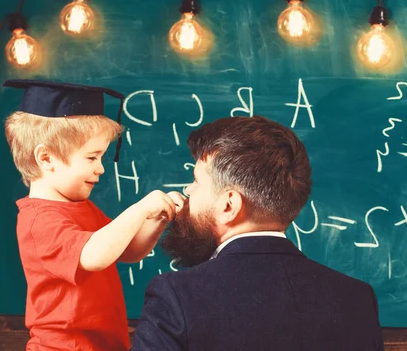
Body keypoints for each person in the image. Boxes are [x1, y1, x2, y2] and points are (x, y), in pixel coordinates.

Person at [132, 116, 384, 351]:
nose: (188, 191)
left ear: (229, 205)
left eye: (196, 181)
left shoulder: (175, 296)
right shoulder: (357, 298)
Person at [3, 79, 184, 351]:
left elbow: (128, 251)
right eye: (91, 158)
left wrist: (159, 217)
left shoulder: (79, 206)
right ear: (46, 158)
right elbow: (94, 256)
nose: (101, 168)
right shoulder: (39, 220)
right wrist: (141, 208)